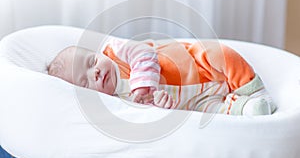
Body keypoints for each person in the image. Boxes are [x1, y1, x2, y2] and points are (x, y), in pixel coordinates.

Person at [48, 36, 276, 115]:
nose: (95, 72)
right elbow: (147, 115)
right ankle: (245, 108)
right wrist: (161, 104)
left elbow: (144, 53)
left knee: (221, 54)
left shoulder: (115, 50)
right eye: (85, 82)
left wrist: (142, 85)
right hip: (195, 100)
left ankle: (254, 90)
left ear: (98, 53)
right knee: (214, 112)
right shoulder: (117, 103)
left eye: (91, 62)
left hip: (197, 66)